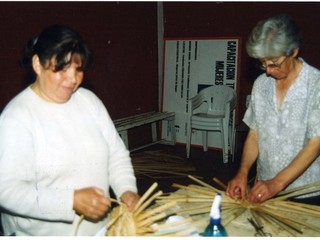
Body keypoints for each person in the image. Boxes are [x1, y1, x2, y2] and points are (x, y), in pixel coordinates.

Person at [0, 25, 140, 236]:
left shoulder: (89, 101)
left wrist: (126, 189)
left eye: (78, 69)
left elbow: (116, 154)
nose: (73, 79)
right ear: (38, 64)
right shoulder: (17, 117)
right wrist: (70, 201)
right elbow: (6, 191)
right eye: (62, 69)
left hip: (101, 229)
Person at [227, 14, 320, 205]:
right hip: (265, 188)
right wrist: (242, 173)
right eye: (263, 63)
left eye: (274, 63)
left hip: (307, 191)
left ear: (293, 51)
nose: (268, 70)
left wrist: (276, 184)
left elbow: (316, 143)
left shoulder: (315, 84)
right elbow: (255, 134)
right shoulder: (261, 84)